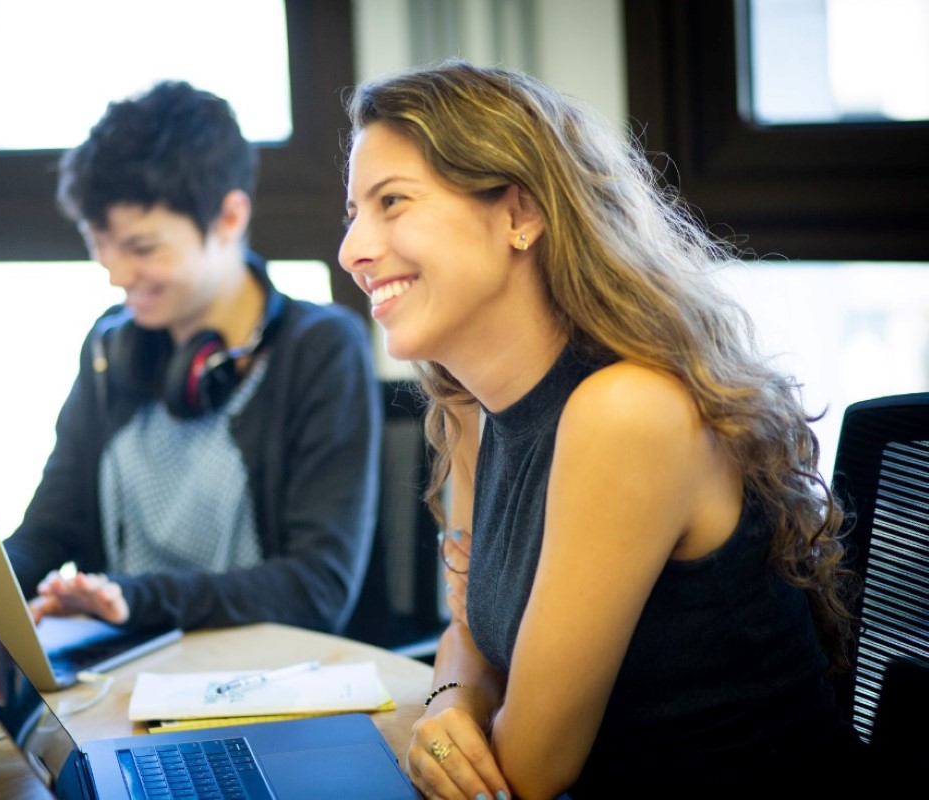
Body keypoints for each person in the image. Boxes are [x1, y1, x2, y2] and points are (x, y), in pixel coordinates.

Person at [338, 61, 861, 799]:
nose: (353, 249)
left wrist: (458, 738)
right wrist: (450, 699)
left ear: (520, 214)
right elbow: (468, 629)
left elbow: (531, 771)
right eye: (353, 213)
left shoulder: (626, 411)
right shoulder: (467, 406)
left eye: (392, 202)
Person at [3, 80, 381, 637]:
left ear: (229, 217)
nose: (115, 274)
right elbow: (48, 534)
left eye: (141, 248)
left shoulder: (322, 349)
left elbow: (315, 590)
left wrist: (135, 599)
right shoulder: (112, 348)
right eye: (98, 244)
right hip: (127, 678)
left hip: (272, 682)